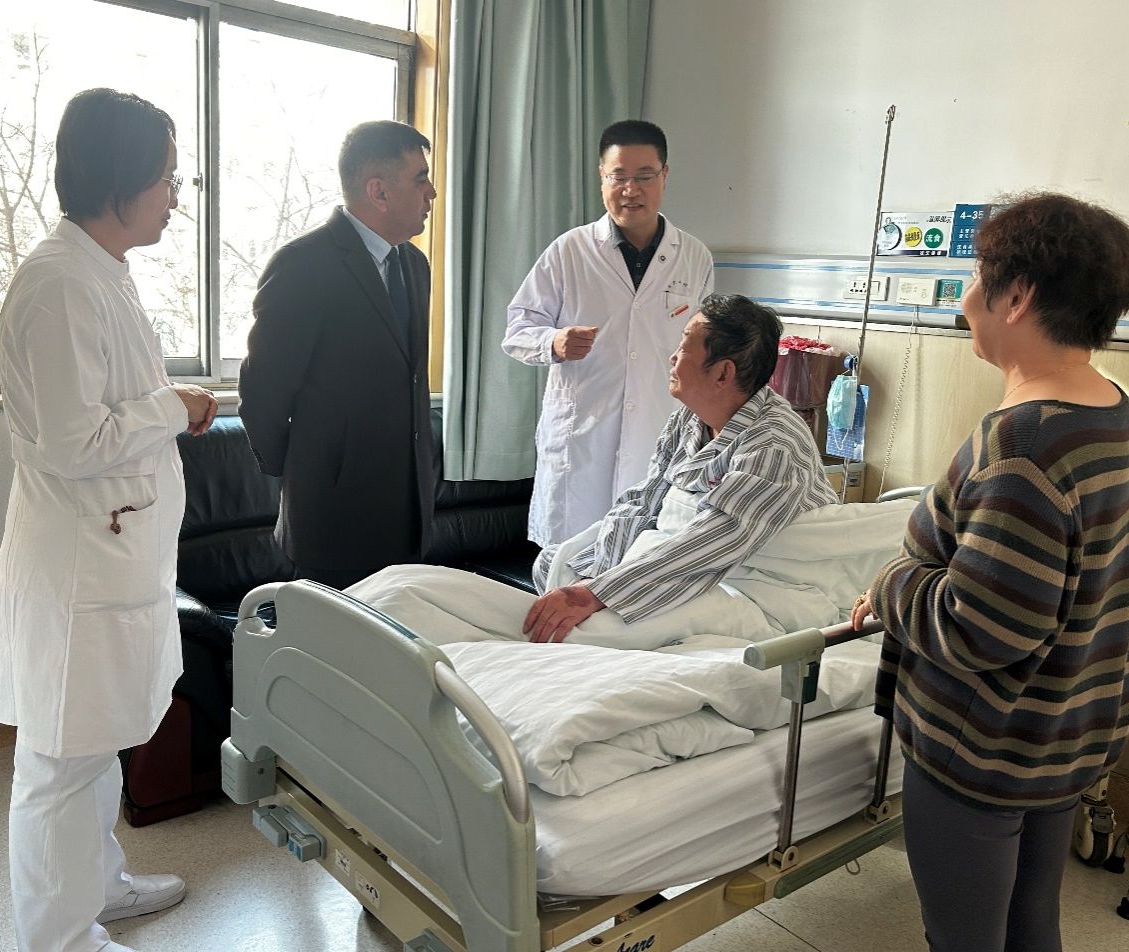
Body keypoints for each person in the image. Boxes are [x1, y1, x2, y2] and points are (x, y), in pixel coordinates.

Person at [850, 193, 1129, 952]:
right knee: (1029, 922)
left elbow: (980, 631)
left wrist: (891, 586)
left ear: (1017, 296)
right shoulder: (1114, 412)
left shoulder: (1021, 446)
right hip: (1062, 733)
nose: (966, 297)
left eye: (977, 278)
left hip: (985, 750)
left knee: (965, 938)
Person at [0, 88, 218, 952]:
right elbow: (72, 441)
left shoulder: (101, 271)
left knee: (94, 742)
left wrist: (167, 404)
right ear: (117, 179)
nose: (174, 197)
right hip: (79, 567)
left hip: (112, 554)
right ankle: (59, 935)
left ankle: (98, 885)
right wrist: (174, 406)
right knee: (60, 760)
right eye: (166, 179)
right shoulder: (57, 285)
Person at [353, 293, 837, 649]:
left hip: (752, 583)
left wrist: (600, 594)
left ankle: (447, 634)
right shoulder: (690, 420)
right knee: (555, 568)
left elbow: (712, 542)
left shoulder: (774, 445)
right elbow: (642, 502)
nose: (673, 356)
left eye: (686, 345)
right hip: (681, 562)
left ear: (724, 373)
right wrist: (596, 576)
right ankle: (401, 607)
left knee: (581, 627)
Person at [239, 120, 437, 589]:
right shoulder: (304, 264)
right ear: (379, 192)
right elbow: (263, 392)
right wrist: (310, 472)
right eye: (420, 179)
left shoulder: (414, 263)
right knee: (331, 638)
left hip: (408, 516)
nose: (431, 193)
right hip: (332, 521)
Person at [502, 119, 714, 547]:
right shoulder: (569, 251)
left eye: (644, 176)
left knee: (639, 561)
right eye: (618, 177)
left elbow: (703, 347)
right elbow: (517, 330)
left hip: (657, 435)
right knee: (567, 565)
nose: (630, 190)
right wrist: (553, 342)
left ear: (665, 175)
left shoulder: (694, 257)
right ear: (602, 177)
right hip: (581, 442)